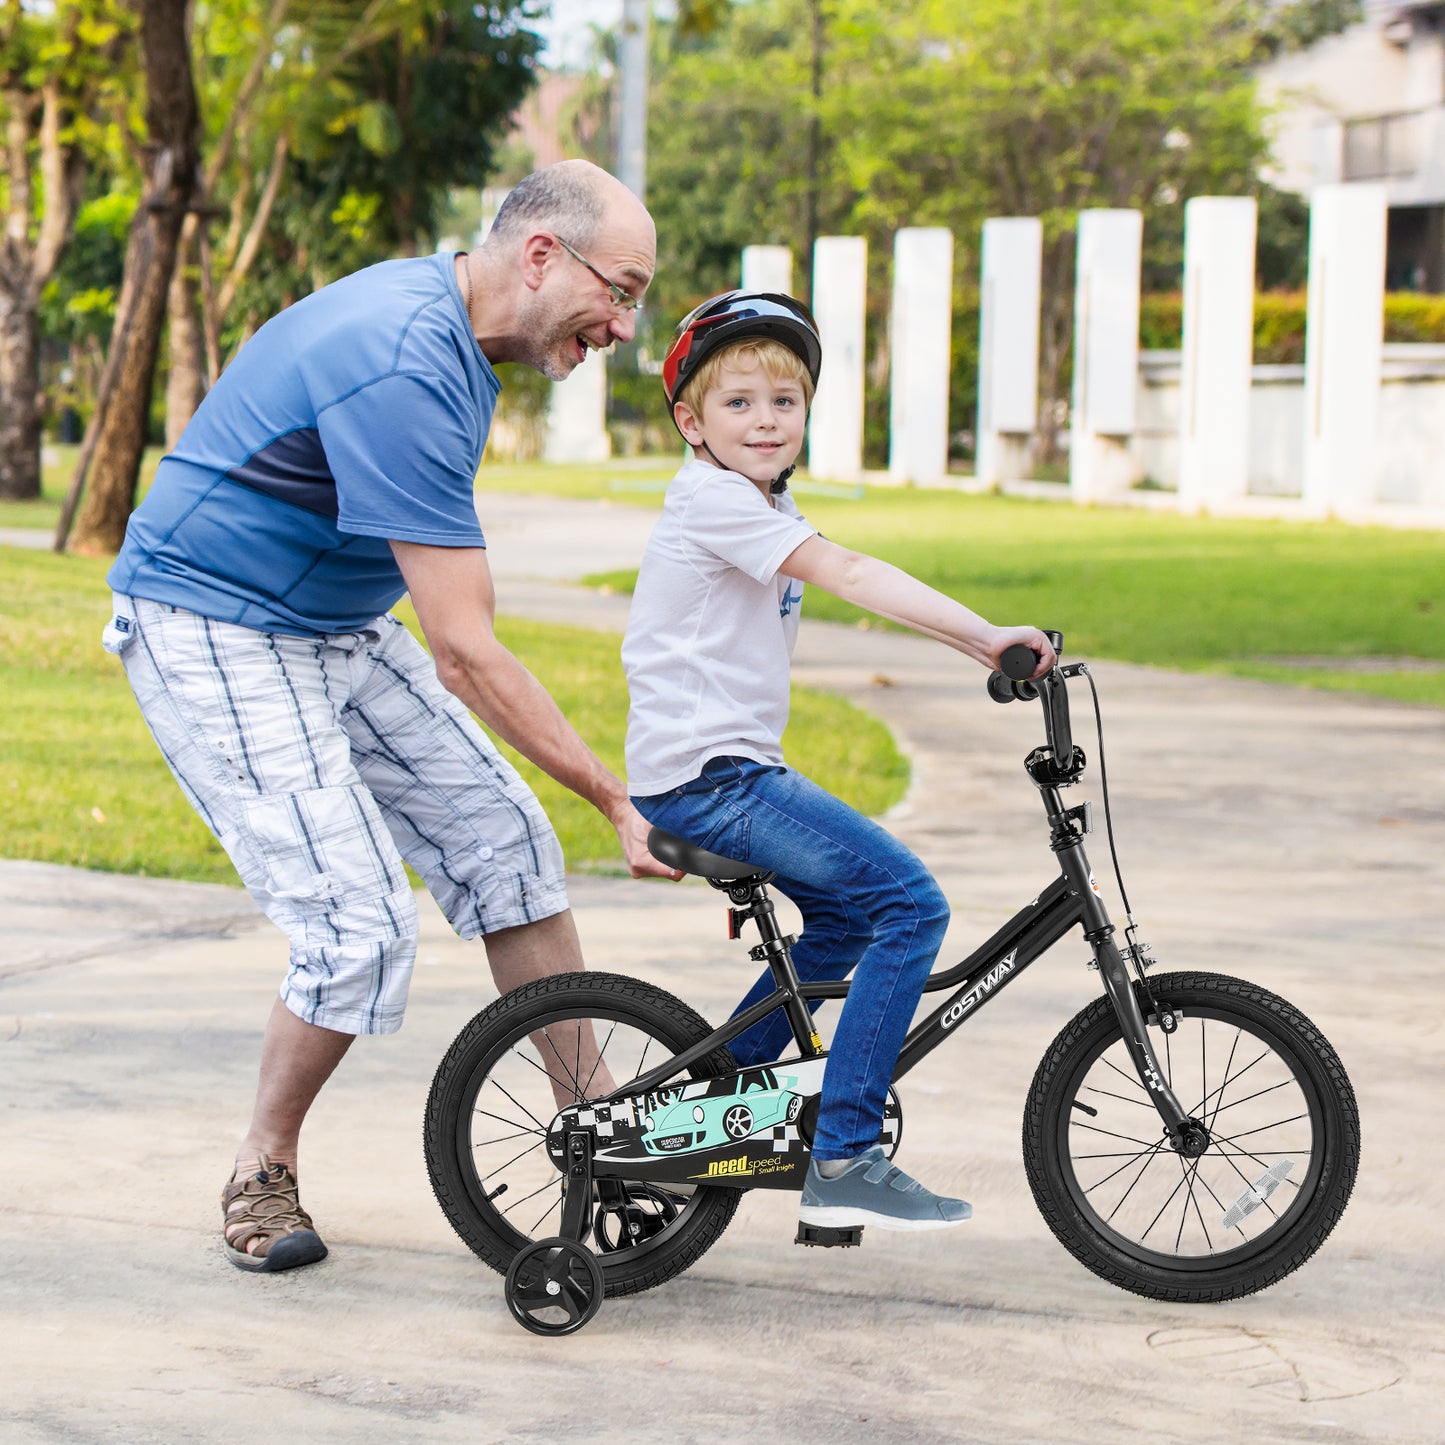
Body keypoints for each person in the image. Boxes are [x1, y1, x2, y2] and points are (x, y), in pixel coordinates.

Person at [103, 160, 679, 1274]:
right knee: (355, 923)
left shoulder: (462, 335)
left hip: (333, 623)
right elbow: (465, 647)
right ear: (541, 256)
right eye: (621, 290)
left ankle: (598, 1127)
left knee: (506, 844)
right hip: (212, 621)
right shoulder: (407, 358)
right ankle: (259, 1167)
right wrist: (611, 795)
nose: (621, 323)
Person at [622, 292, 1056, 1231]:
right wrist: (984, 638)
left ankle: (705, 1104)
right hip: (712, 779)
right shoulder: (715, 501)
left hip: (715, 770)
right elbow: (852, 575)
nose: (765, 420)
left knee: (848, 919)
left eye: (783, 401)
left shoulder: (759, 502)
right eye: (737, 403)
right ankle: (845, 1152)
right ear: (690, 425)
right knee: (911, 903)